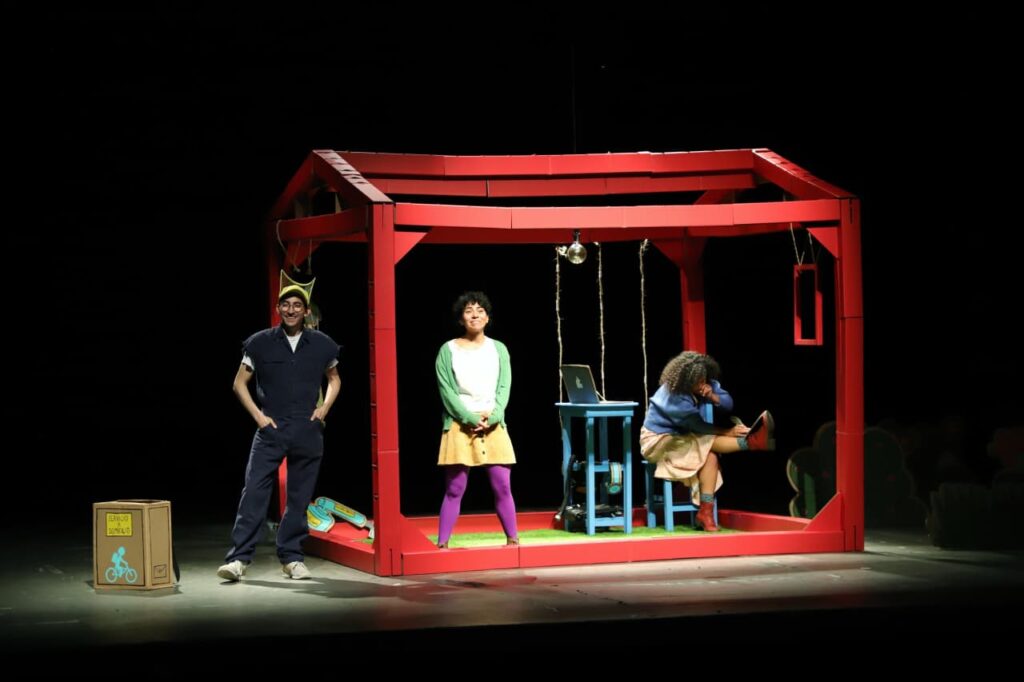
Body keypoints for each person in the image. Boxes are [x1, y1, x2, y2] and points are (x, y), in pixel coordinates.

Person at [218, 271, 341, 581]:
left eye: (297, 305)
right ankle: (239, 559)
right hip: (271, 429)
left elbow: (334, 379)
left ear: (306, 310)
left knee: (299, 496)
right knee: (254, 492)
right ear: (278, 308)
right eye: (285, 304)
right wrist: (259, 417)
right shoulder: (260, 342)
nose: (291, 310)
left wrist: (324, 408)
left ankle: (292, 558)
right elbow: (238, 383)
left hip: (307, 430)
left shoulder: (322, 344)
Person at [640, 350, 774, 532]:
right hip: (659, 441)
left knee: (711, 458)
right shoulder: (672, 395)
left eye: (703, 378)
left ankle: (705, 513)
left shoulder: (706, 383)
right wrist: (728, 432)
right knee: (702, 442)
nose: (702, 383)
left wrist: (713, 396)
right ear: (686, 381)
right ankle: (750, 443)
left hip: (687, 439)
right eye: (697, 380)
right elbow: (698, 426)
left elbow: (728, 404)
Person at [434, 291, 519, 549]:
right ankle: (442, 544)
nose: (475, 315)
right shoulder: (448, 350)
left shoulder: (499, 348)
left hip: (493, 424)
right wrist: (469, 418)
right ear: (461, 318)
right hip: (460, 425)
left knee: (502, 486)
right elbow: (447, 392)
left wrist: (494, 416)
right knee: (455, 488)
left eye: (480, 310)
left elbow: (504, 386)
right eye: (469, 311)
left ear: (487, 317)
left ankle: (513, 542)